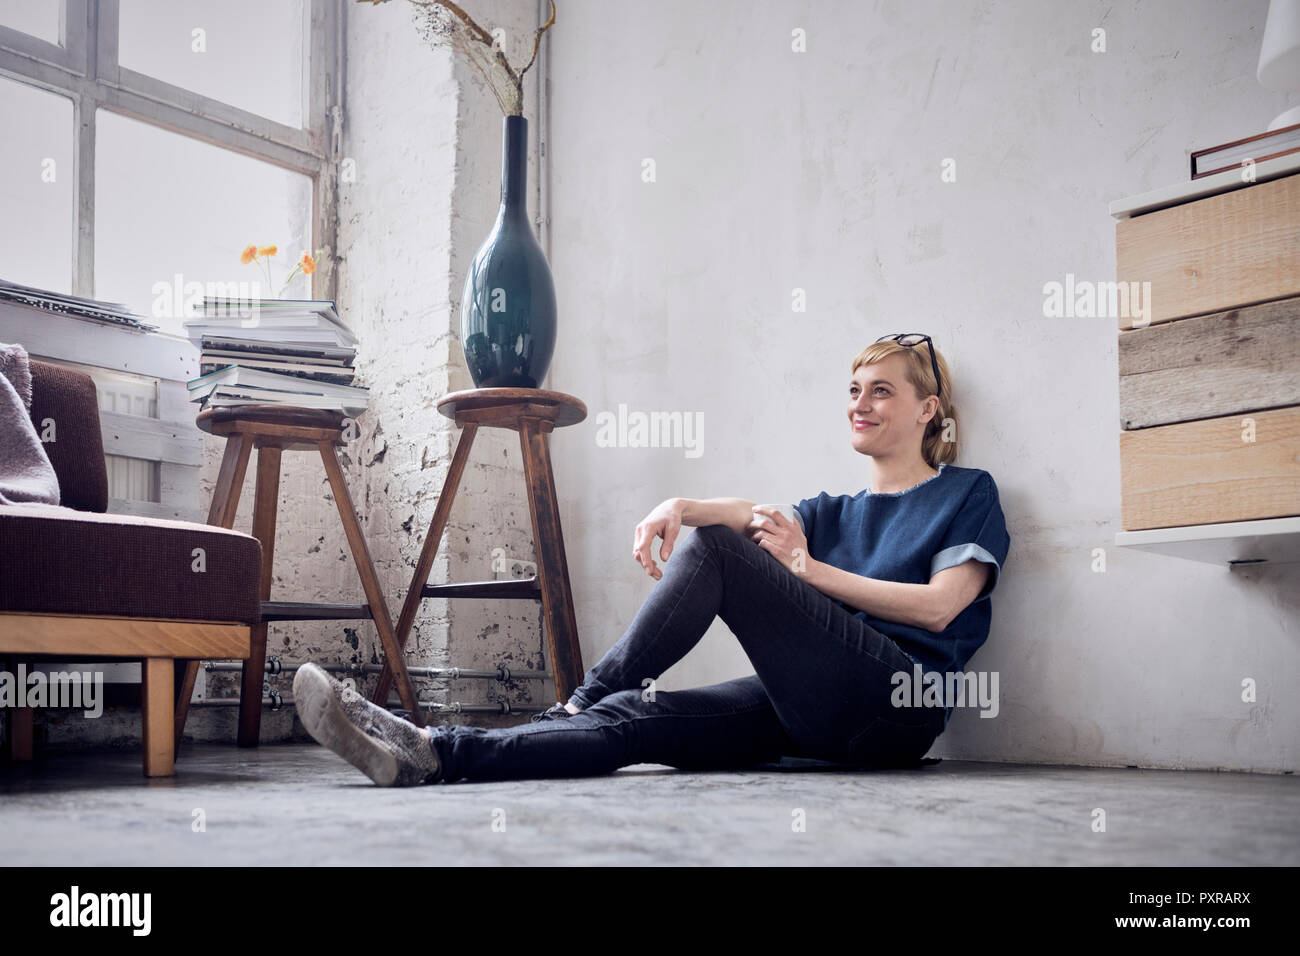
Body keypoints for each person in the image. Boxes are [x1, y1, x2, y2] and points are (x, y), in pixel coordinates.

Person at [293, 334, 1011, 786]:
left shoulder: (966, 493)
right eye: (854, 390)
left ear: (929, 410)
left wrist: (807, 571)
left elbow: (942, 605)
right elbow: (746, 515)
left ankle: (579, 695)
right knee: (641, 713)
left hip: (898, 706)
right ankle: (437, 752)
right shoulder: (833, 510)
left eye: (882, 390)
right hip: (813, 712)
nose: (860, 403)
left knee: (717, 556)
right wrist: (680, 505)